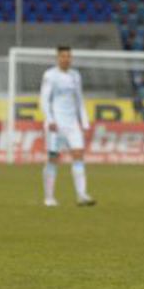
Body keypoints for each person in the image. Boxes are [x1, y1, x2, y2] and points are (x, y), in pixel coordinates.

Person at [40, 45, 95, 207]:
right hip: (56, 124)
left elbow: (79, 100)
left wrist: (84, 123)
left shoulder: (75, 76)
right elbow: (44, 99)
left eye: (69, 56)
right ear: (58, 58)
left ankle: (81, 195)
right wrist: (50, 120)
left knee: (78, 155)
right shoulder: (50, 75)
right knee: (53, 158)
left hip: (72, 124)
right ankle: (49, 197)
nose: (66, 59)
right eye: (63, 56)